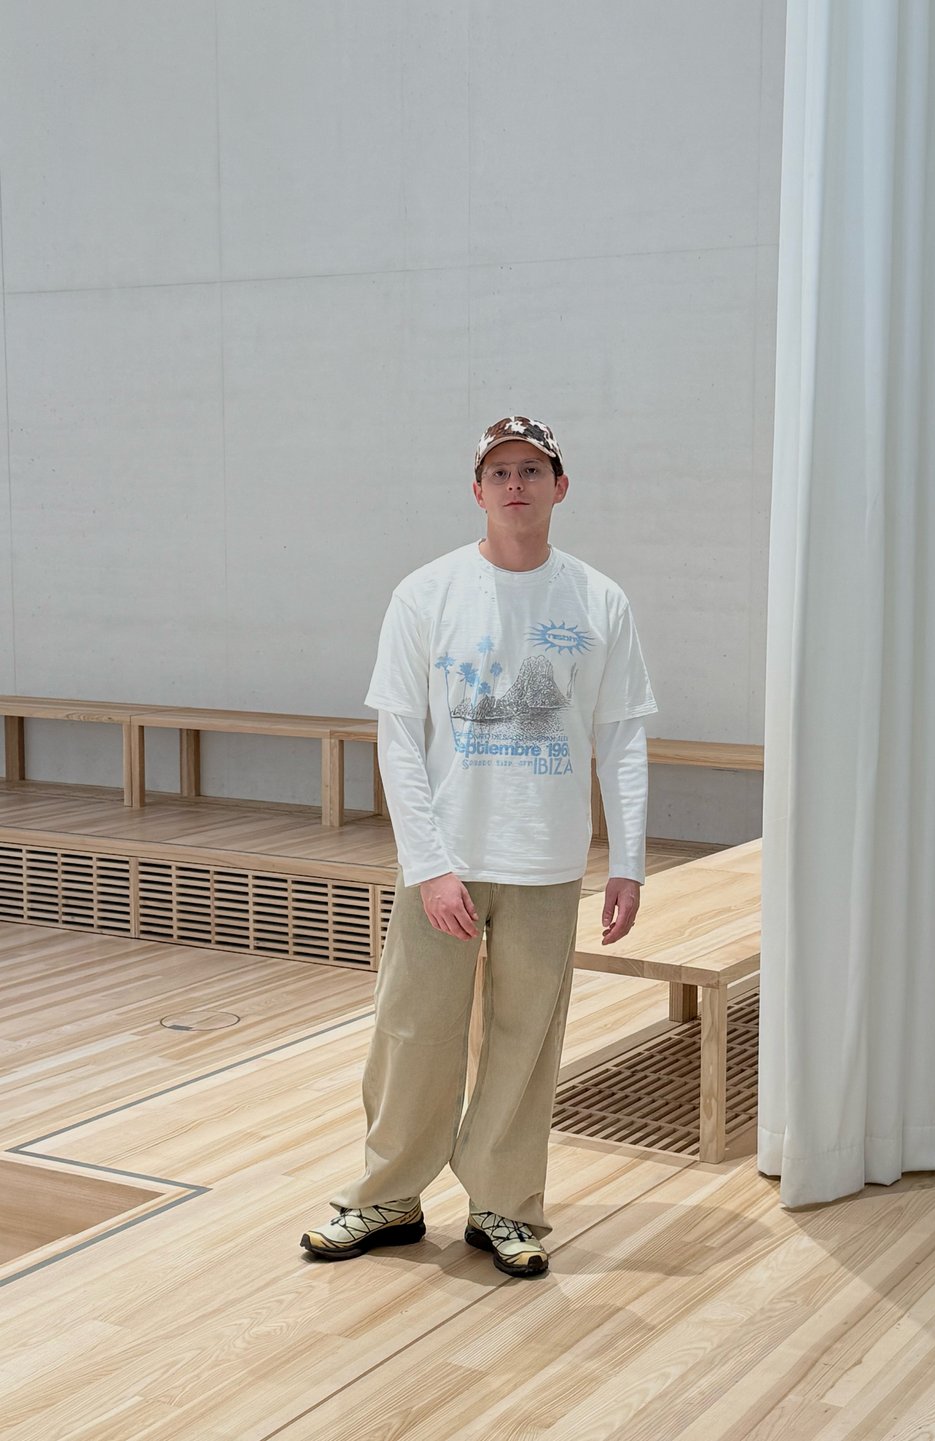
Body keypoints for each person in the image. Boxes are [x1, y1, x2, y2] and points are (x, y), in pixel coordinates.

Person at [301, 416, 656, 1277]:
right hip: (447, 860)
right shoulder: (426, 593)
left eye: (532, 469)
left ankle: (504, 1204)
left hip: (547, 860)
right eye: (499, 471)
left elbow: (624, 737)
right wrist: (426, 862)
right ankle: (386, 1194)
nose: (516, 484)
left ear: (560, 486)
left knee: (525, 1034)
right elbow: (397, 736)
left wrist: (631, 860)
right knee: (414, 1026)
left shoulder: (599, 600)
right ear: (477, 490)